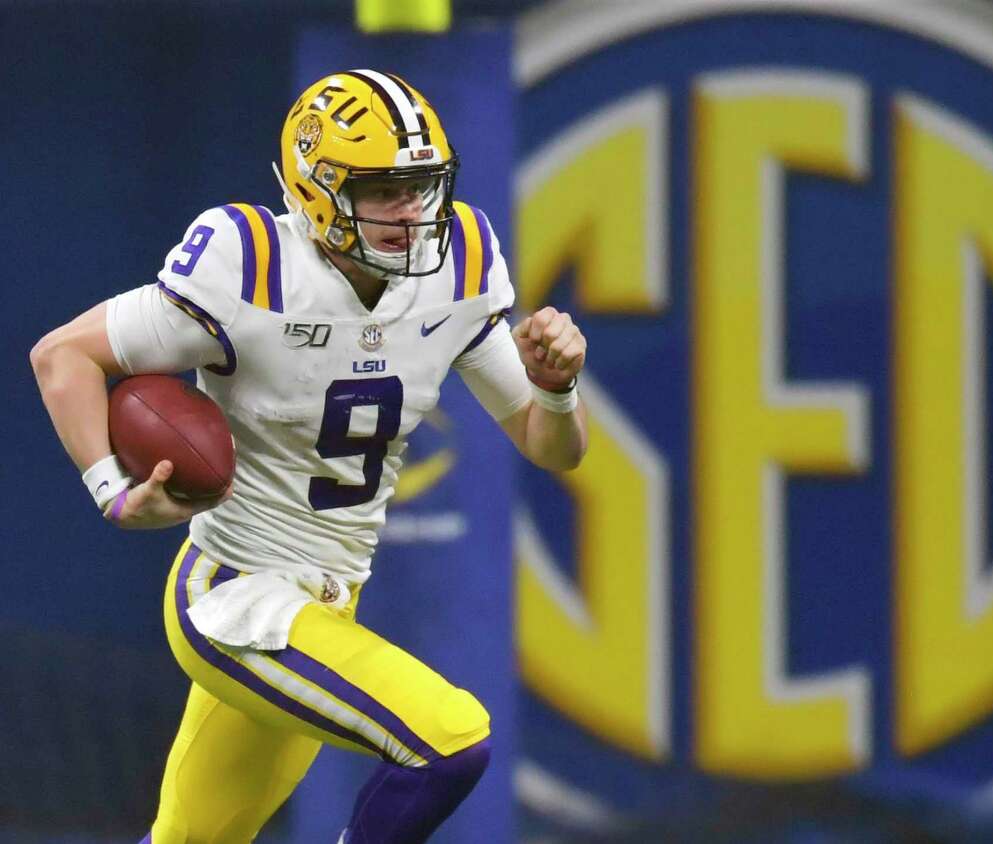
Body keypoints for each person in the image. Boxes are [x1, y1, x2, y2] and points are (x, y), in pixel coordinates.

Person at [29, 69, 587, 843]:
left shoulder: (458, 264)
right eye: (384, 191)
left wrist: (557, 390)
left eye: (422, 187)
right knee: (451, 741)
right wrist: (112, 492)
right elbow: (62, 357)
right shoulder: (249, 262)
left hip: (326, 604)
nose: (410, 213)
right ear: (319, 191)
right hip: (234, 598)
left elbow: (547, 444)